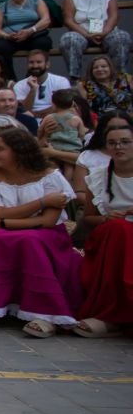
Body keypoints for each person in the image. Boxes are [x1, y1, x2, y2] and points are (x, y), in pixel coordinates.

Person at [0, 126, 82, 336]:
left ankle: (44, 312)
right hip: (10, 229)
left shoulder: (50, 175)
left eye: (0, 148)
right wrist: (41, 202)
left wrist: (2, 223)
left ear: (19, 152)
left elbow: (48, 221)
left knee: (29, 240)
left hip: (47, 235)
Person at [76, 124, 133, 336]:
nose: (119, 147)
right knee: (118, 229)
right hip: (111, 236)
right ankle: (113, 313)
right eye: (113, 143)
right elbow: (89, 217)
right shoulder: (99, 176)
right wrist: (105, 217)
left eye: (125, 142)